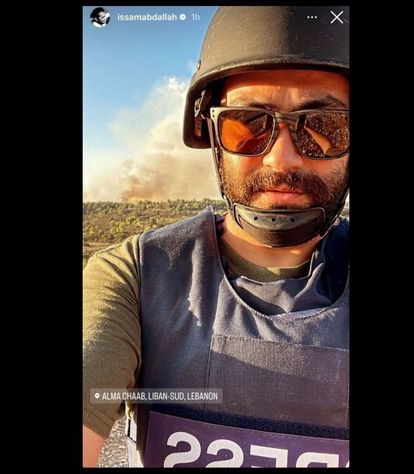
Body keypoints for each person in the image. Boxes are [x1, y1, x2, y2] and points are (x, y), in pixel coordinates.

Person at [83, 6, 350, 468]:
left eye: (324, 127)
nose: (282, 159)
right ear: (209, 129)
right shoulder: (134, 278)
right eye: (248, 124)